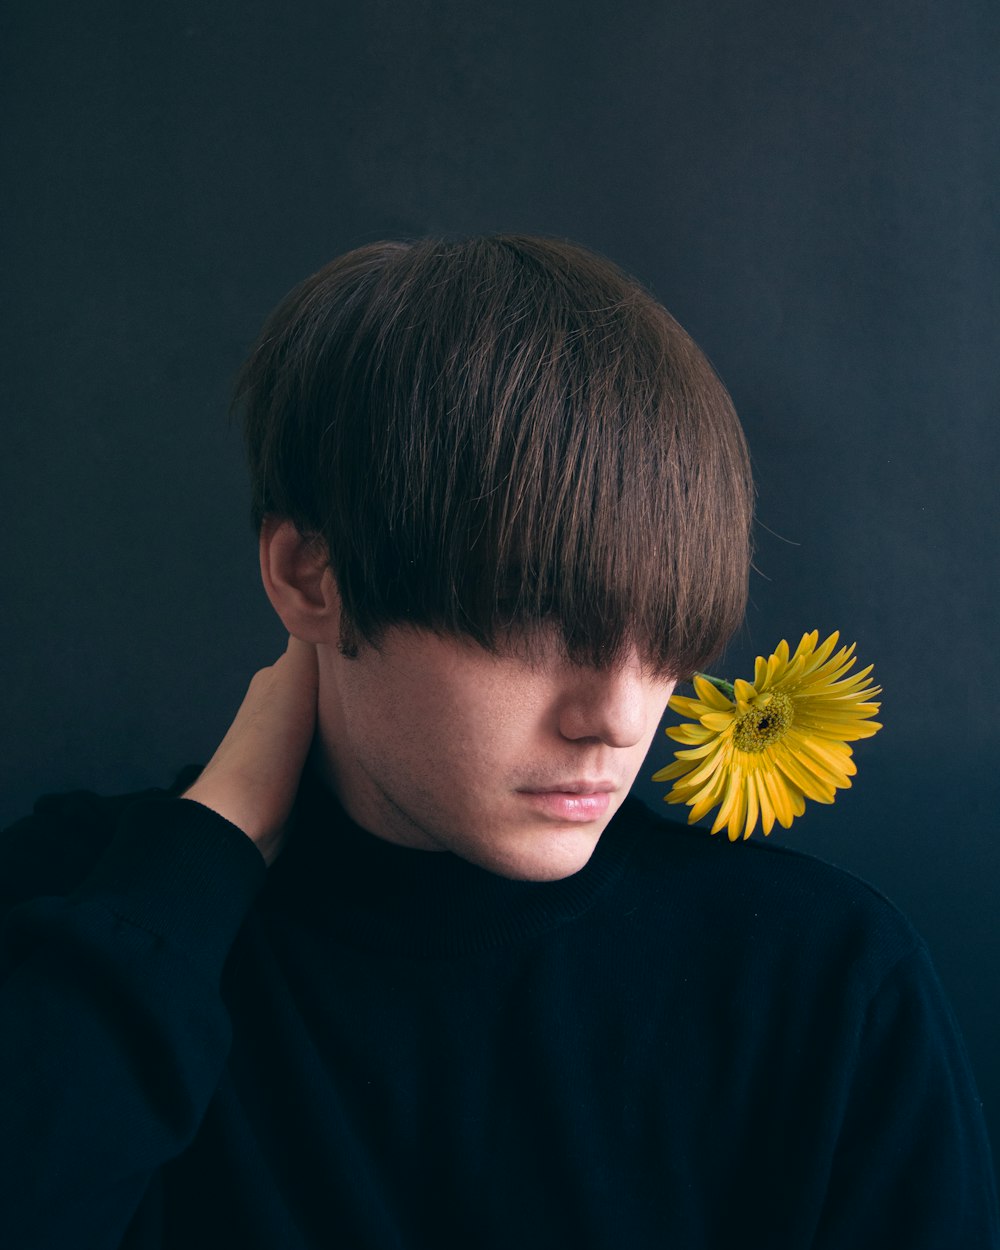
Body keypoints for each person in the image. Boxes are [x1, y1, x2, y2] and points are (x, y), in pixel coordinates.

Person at [1, 235, 997, 1249]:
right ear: (310, 576)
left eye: (665, 639)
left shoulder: (817, 985)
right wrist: (209, 844)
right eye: (534, 617)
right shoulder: (79, 925)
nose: (615, 717)